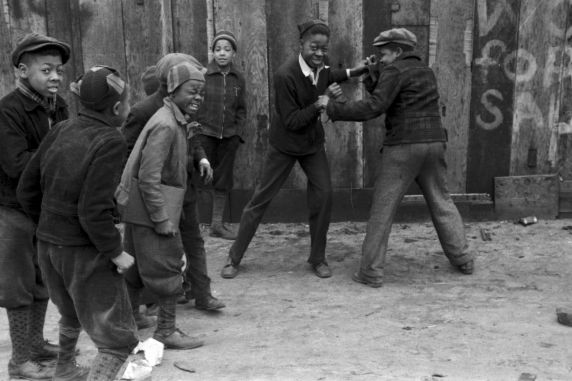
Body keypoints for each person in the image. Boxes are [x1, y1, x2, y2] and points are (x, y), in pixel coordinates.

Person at [322, 28, 475, 288]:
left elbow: (375, 107)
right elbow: (393, 97)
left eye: (384, 54)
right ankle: (463, 258)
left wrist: (332, 107)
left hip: (404, 147)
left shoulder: (394, 71)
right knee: (442, 200)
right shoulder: (426, 71)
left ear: (399, 51)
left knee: (383, 208)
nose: (380, 59)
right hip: (435, 143)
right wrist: (372, 76)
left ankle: (370, 272)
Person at [17, 66, 139, 380]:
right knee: (117, 341)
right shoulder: (111, 140)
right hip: (84, 253)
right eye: (127, 103)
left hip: (48, 247)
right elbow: (93, 211)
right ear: (115, 108)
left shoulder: (61, 129)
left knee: (70, 311)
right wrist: (116, 252)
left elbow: (26, 189)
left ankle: (65, 370)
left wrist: (49, 227)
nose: (128, 108)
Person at [220, 20, 366, 279]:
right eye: (314, 47)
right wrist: (322, 105)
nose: (319, 53)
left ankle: (317, 258)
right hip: (285, 145)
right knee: (259, 201)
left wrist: (356, 71)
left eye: (324, 48)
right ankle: (234, 258)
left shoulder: (320, 66)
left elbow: (330, 75)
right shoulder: (285, 75)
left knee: (324, 195)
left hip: (312, 146)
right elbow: (292, 121)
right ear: (301, 44)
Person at [121, 53, 224, 314]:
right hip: (155, 196)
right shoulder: (147, 112)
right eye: (193, 89)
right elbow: (132, 155)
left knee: (193, 242)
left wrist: (200, 158)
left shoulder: (184, 106)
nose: (198, 96)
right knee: (155, 251)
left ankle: (202, 293)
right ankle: (151, 302)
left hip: (183, 190)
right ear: (172, 83)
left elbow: (193, 136)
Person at [0, 32, 71, 380]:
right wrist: (58, 156)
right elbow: (16, 165)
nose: (56, 77)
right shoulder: (7, 111)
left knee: (42, 277)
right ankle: (19, 362)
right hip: (11, 210)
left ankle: (37, 344)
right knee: (17, 284)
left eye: (58, 70)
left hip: (42, 208)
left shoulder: (59, 106)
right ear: (22, 71)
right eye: (46, 70)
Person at [197, 30, 246, 240]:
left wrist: (237, 133)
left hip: (229, 137)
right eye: (218, 49)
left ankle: (217, 224)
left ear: (233, 52)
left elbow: (242, 109)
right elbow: (195, 103)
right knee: (199, 177)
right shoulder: (204, 75)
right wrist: (197, 130)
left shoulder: (238, 77)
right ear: (213, 53)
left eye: (227, 49)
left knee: (223, 179)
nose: (222, 53)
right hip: (206, 134)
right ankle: (196, 224)